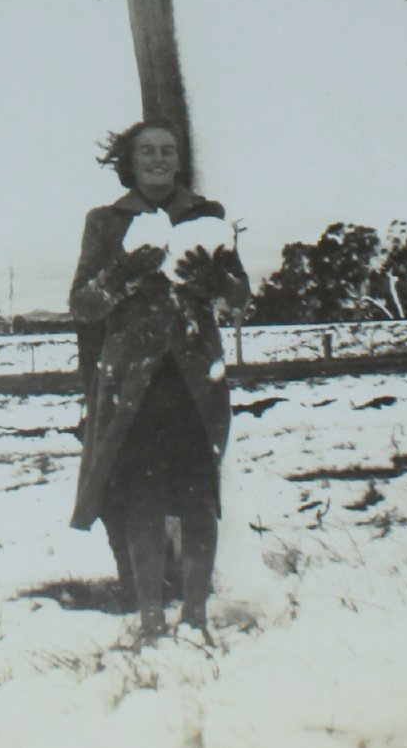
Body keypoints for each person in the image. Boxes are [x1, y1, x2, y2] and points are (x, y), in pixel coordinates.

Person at [68, 119, 250, 641]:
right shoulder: (106, 222)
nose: (158, 159)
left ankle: (195, 613)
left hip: (195, 379)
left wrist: (214, 280)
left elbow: (239, 297)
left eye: (167, 151)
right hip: (134, 384)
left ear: (178, 160)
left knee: (199, 499)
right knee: (141, 499)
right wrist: (126, 271)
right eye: (147, 151)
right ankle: (150, 612)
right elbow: (83, 304)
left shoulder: (206, 216)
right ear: (130, 160)